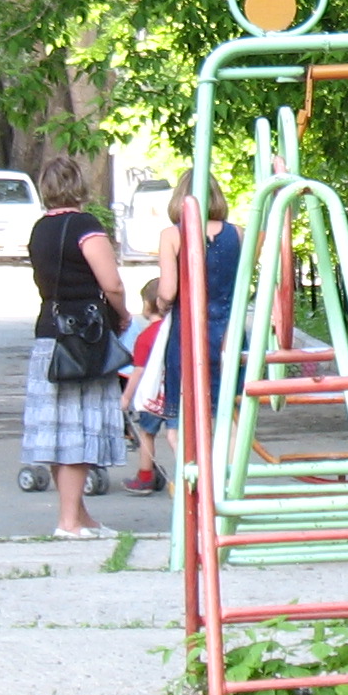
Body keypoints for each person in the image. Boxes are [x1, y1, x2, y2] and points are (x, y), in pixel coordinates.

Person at [22, 155, 130, 536]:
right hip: (84, 338)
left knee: (58, 431)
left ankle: (80, 516)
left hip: (49, 335)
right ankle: (68, 522)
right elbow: (111, 283)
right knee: (77, 431)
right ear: (78, 185)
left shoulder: (39, 230)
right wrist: (123, 314)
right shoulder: (86, 227)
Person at [153, 167, 239, 458]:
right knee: (226, 416)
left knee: (180, 423)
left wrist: (161, 305)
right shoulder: (237, 234)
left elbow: (168, 291)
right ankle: (226, 476)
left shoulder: (172, 235)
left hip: (188, 335)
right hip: (228, 333)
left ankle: (198, 475)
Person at [121, 276, 171, 494]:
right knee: (177, 433)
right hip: (176, 391)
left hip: (153, 394)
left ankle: (145, 476)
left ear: (149, 304)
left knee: (146, 433)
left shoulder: (146, 337)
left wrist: (126, 397)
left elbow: (138, 371)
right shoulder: (177, 332)